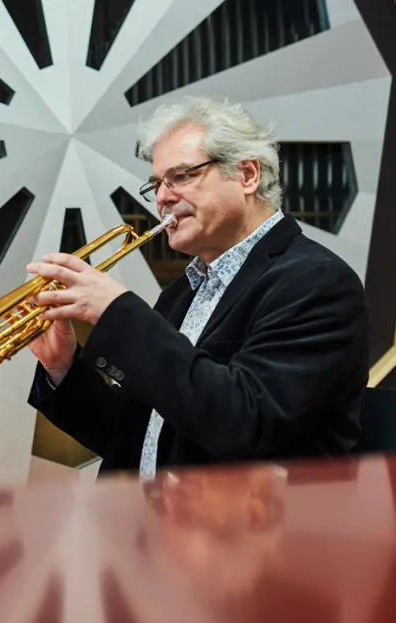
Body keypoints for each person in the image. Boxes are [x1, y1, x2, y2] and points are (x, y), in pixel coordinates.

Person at [25, 96, 370, 479]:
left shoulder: (317, 282)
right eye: (156, 184)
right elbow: (133, 436)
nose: (162, 197)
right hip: (146, 529)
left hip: (255, 534)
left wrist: (118, 312)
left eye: (182, 176)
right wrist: (63, 364)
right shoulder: (181, 293)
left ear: (248, 175)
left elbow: (244, 423)